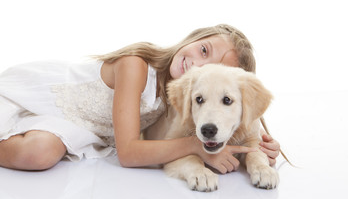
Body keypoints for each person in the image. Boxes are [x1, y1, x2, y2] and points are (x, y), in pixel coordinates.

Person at [0, 24, 280, 173]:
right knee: (36, 155)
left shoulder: (187, 97)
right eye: (203, 50)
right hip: (41, 95)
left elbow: (224, 118)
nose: (196, 65)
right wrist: (196, 147)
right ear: (194, 38)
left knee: (41, 152)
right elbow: (129, 153)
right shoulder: (135, 66)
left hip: (78, 127)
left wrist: (257, 148)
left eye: (209, 69)